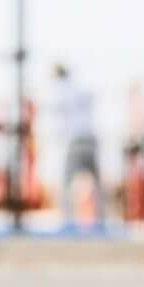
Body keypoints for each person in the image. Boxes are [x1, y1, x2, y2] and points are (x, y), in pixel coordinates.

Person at [52, 63, 100, 228]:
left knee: (67, 183)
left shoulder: (62, 89)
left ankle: (68, 222)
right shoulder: (80, 87)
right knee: (97, 182)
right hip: (91, 137)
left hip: (75, 140)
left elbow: (60, 116)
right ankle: (100, 220)